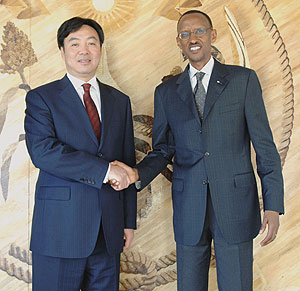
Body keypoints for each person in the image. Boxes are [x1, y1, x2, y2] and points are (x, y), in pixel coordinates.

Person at [112, 10, 284, 291]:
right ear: (179, 42)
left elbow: (264, 145)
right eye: (185, 34)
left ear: (212, 35)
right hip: (189, 205)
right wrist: (136, 174)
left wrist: (274, 205)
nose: (193, 38)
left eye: (199, 31)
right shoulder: (166, 92)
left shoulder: (243, 81)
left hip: (236, 204)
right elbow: (163, 148)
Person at [24, 17, 137, 291]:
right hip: (59, 231)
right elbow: (44, 152)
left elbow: (127, 160)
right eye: (74, 44)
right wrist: (105, 170)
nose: (83, 51)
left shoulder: (119, 101)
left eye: (91, 43)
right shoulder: (41, 98)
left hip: (108, 231)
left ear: (100, 49)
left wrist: (128, 221)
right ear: (62, 51)